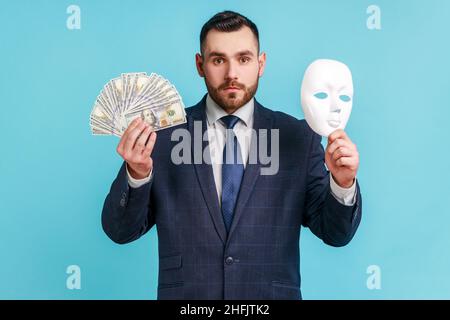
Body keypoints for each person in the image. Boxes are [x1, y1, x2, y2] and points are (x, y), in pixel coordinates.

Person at [102, 10, 362, 300]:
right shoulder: (162, 136)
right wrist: (136, 175)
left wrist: (342, 183)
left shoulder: (299, 138)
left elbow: (336, 234)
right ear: (200, 65)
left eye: (244, 58)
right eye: (218, 60)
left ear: (261, 63)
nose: (232, 74)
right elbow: (120, 231)